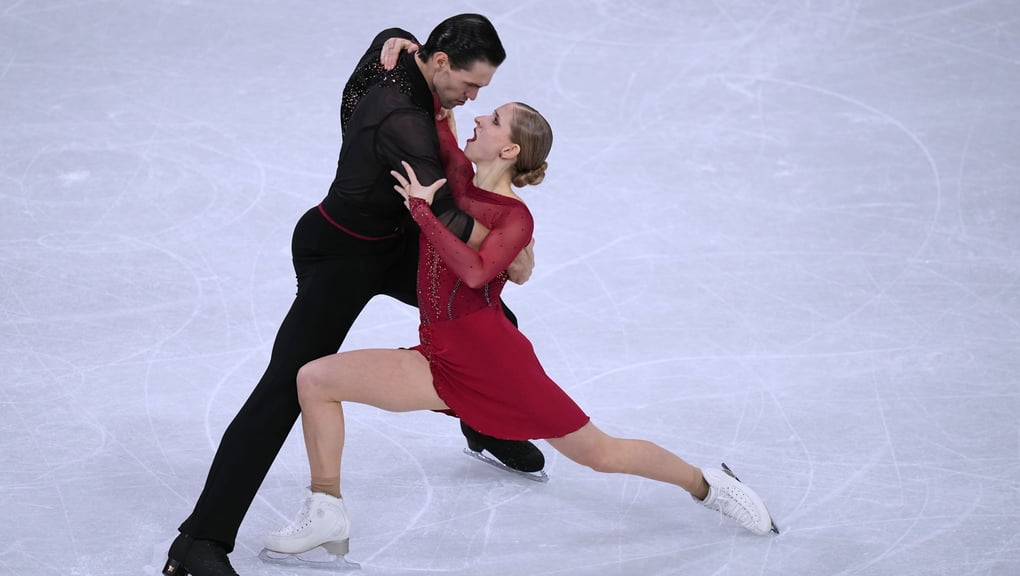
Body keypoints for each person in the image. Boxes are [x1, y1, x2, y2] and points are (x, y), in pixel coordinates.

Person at [261, 100, 779, 561]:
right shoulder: (455, 180)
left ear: (509, 149)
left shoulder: (515, 218)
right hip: (440, 353)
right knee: (316, 379)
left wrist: (422, 210)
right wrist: (402, 50)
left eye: (493, 120)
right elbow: (439, 119)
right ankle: (326, 511)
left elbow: (475, 273)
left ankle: (708, 484)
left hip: (493, 361)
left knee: (599, 453)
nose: (480, 117)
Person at [163, 14, 547, 576]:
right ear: (440, 62)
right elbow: (442, 211)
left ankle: (482, 422)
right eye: (470, 85)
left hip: (394, 242)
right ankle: (198, 541)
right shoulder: (403, 119)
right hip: (342, 254)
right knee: (284, 388)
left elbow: (381, 45)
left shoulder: (398, 59)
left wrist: (394, 36)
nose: (472, 99)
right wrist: (511, 247)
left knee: (493, 325)